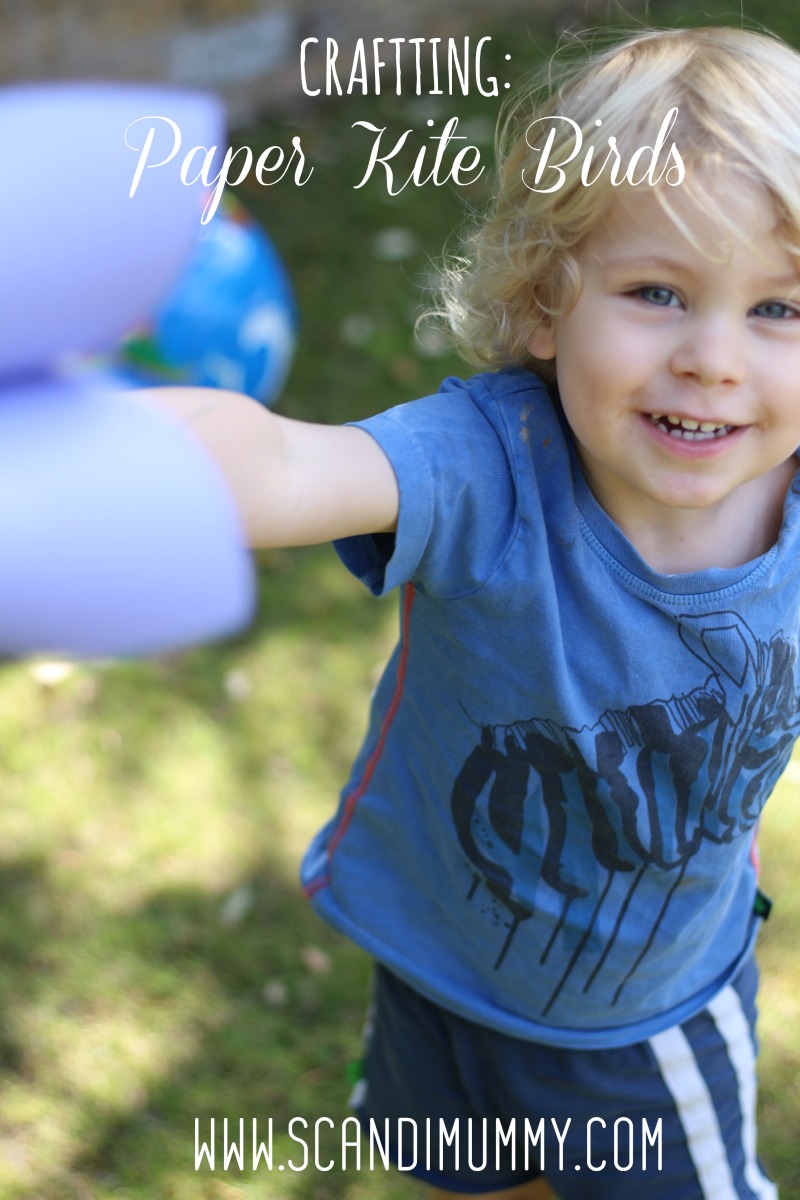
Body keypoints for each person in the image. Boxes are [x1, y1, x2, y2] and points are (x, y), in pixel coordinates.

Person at [148, 25, 800, 1199]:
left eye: (777, 311)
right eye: (656, 293)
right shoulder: (484, 458)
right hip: (437, 971)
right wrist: (106, 436)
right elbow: (286, 470)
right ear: (547, 303)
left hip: (639, 1025)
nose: (712, 359)